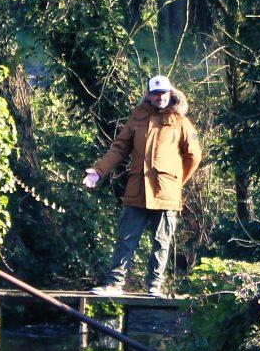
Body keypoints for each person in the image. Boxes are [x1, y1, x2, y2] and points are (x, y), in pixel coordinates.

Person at [82, 75, 202, 296]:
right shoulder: (136, 119)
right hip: (137, 189)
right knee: (126, 239)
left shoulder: (181, 122)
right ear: (148, 95)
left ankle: (154, 286)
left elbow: (194, 156)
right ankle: (114, 284)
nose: (160, 97)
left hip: (166, 192)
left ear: (170, 93)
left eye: (164, 93)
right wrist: (98, 171)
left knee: (161, 241)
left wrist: (177, 182)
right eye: (156, 94)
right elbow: (119, 148)